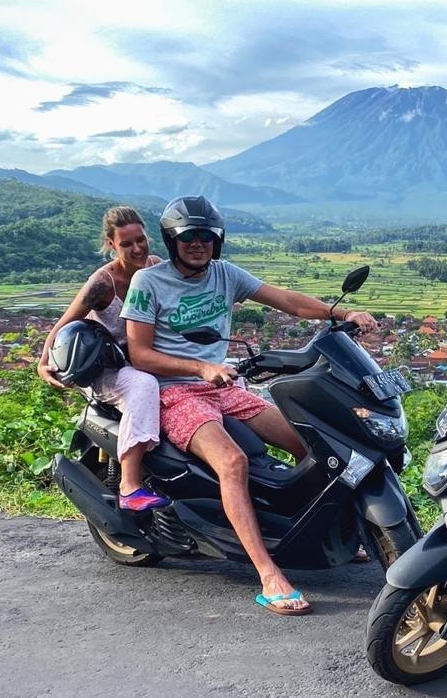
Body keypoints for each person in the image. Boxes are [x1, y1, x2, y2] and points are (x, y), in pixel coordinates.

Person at [121, 196, 377, 616]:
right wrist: (199, 368)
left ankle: (324, 530)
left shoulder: (225, 274)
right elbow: (140, 355)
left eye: (206, 236)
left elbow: (288, 301)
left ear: (217, 241)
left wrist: (342, 311)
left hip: (224, 385)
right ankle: (268, 573)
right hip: (176, 391)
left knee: (312, 443)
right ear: (172, 240)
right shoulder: (148, 284)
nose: (197, 244)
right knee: (232, 462)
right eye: (188, 237)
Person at [38, 206, 169, 512]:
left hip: (146, 359)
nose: (136, 248)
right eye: (126, 243)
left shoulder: (156, 267)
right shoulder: (103, 282)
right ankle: (130, 485)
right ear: (112, 244)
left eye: (140, 239)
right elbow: (65, 324)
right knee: (144, 385)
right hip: (109, 370)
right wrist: (43, 361)